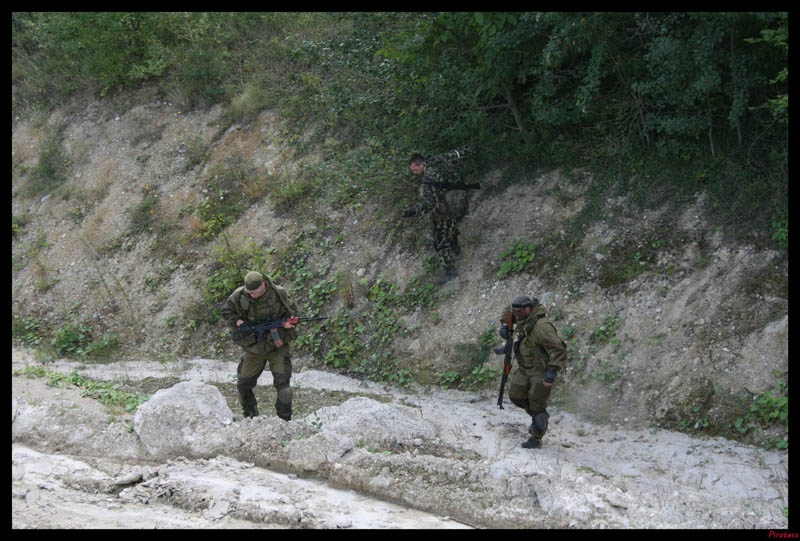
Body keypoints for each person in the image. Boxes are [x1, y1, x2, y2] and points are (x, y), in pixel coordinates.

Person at [222, 270, 299, 420]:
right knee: (243, 384)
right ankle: (250, 416)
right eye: (249, 292)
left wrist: (287, 322)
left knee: (284, 387)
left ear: (263, 285)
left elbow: (292, 312)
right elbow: (226, 312)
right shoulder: (239, 296)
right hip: (253, 348)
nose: (251, 295)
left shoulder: (279, 294)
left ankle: (284, 421)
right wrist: (240, 323)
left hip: (277, 347)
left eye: (254, 292)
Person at [499, 294, 567, 449]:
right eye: (515, 312)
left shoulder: (542, 326)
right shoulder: (523, 317)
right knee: (516, 396)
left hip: (540, 370)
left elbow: (559, 349)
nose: (516, 315)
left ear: (528, 309)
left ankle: (536, 436)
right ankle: (540, 417)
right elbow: (508, 312)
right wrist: (504, 325)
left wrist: (552, 371)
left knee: (537, 403)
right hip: (524, 368)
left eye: (519, 312)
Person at [403, 147, 477, 284]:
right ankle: (454, 242)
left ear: (421, 164)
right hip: (462, 196)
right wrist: (473, 149)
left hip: (450, 207)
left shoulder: (427, 180)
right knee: (447, 223)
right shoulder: (439, 159)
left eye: (415, 169)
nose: (414, 173)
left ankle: (450, 271)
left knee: (439, 240)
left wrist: (414, 210)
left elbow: (430, 203)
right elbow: (458, 153)